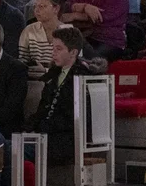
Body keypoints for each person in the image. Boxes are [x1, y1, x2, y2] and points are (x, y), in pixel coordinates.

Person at [29, 27, 106, 164]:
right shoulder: (54, 74)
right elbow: (43, 109)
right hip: (47, 135)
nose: (53, 53)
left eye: (58, 49)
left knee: (13, 151)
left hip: (68, 140)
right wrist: (31, 126)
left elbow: (75, 119)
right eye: (53, 48)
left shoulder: (83, 78)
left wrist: (42, 127)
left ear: (73, 52)